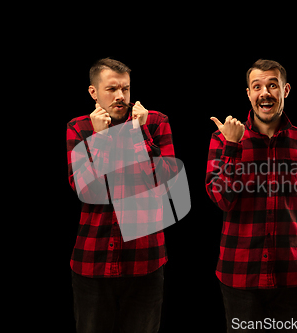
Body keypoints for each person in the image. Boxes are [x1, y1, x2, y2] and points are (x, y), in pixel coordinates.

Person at [206, 59, 297, 332]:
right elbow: (221, 199)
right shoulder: (223, 139)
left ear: (285, 90)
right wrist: (232, 147)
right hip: (240, 277)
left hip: (295, 277)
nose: (265, 92)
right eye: (257, 86)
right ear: (248, 94)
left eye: (273, 85)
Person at [66, 57, 176, 333]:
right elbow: (87, 190)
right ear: (93, 92)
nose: (120, 97)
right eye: (111, 89)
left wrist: (139, 134)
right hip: (93, 262)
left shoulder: (155, 123)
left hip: (146, 261)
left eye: (125, 89)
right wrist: (101, 138)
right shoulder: (79, 128)